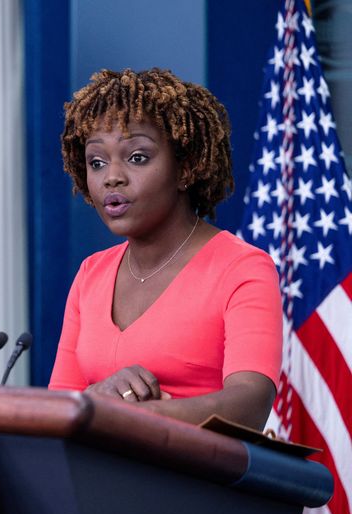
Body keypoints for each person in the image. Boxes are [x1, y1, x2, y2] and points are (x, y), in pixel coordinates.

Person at [49, 68, 281, 430]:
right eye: (96, 162)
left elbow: (250, 404)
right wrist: (95, 397)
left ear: (186, 168)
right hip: (96, 478)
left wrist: (136, 415)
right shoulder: (90, 274)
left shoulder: (242, 268)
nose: (112, 176)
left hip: (194, 481)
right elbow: (58, 405)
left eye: (137, 157)